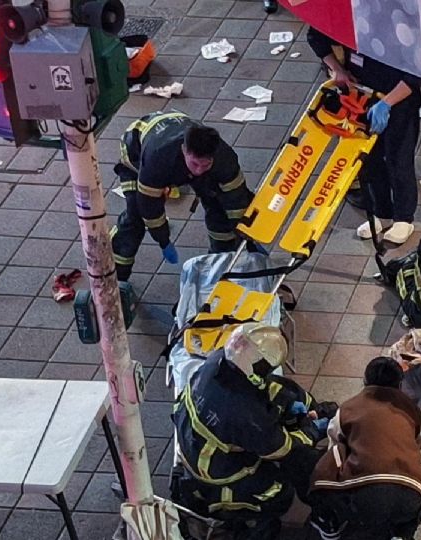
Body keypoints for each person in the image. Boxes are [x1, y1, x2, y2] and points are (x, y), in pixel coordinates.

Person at [171, 323, 323, 539]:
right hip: (218, 472)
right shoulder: (244, 413)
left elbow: (264, 387)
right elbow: (281, 448)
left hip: (192, 443)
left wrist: (288, 401)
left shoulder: (217, 361)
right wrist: (311, 431)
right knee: (279, 493)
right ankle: (248, 521)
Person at [307, 26, 421, 244]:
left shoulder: (401, 23)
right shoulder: (352, 18)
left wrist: (387, 103)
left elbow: (416, 73)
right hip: (361, 98)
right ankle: (381, 212)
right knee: (369, 160)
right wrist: (337, 69)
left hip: (399, 102)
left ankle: (404, 217)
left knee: (399, 159)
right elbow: (316, 36)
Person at [111, 112, 254, 281]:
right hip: (135, 154)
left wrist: (245, 233)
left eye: (205, 165)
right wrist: (163, 239)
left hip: (174, 135)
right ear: (184, 150)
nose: (199, 170)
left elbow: (237, 198)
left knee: (217, 203)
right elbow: (149, 208)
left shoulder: (223, 157)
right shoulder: (157, 159)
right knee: (135, 218)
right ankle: (115, 280)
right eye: (195, 164)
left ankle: (221, 260)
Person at [309, 357, 421, 540]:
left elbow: (333, 446)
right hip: (410, 495)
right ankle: (402, 533)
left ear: (365, 381)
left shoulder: (347, 409)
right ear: (400, 385)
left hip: (364, 500)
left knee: (333, 454)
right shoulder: (414, 411)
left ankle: (330, 522)